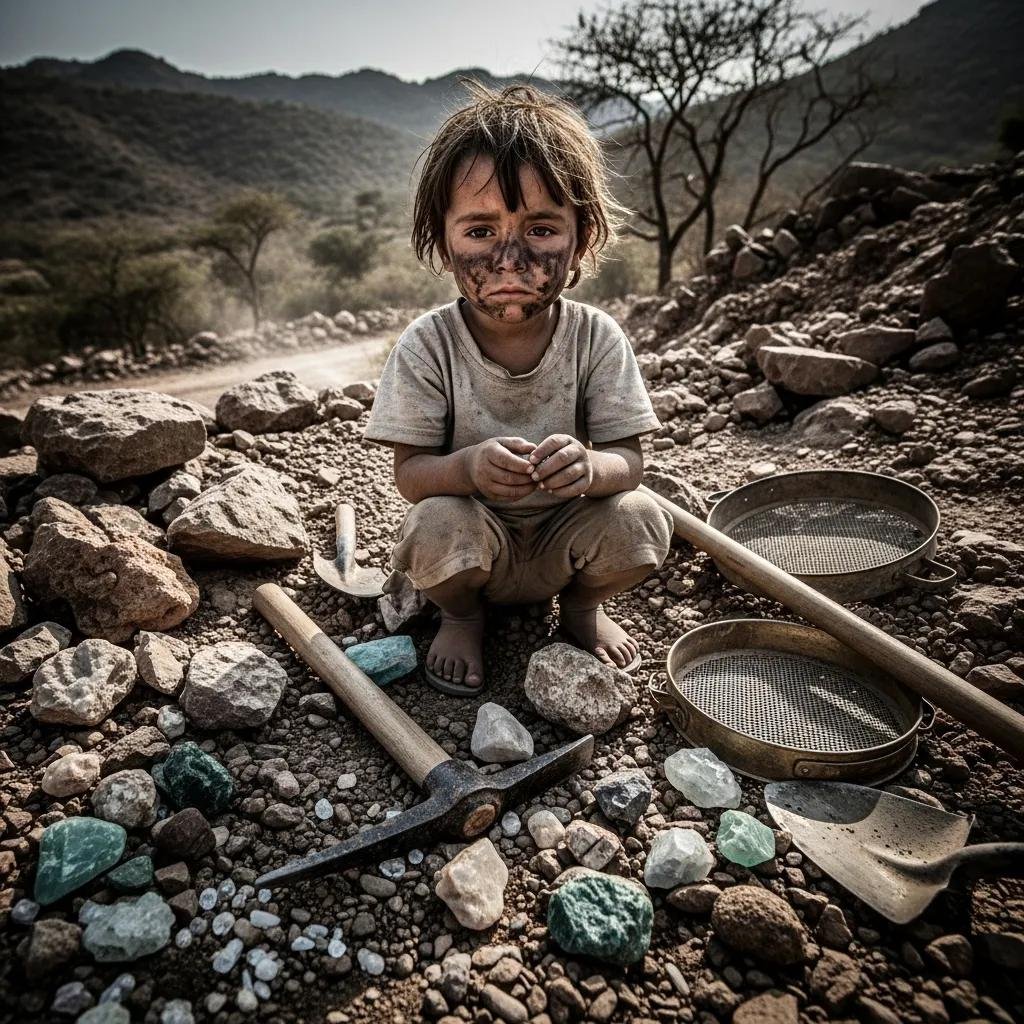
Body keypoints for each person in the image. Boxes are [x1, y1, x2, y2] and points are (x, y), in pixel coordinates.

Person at [363, 80, 674, 695]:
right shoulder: (428, 343)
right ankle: (461, 616)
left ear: (581, 236)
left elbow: (632, 462)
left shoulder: (596, 338)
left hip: (569, 539)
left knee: (642, 519)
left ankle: (583, 611)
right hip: (475, 543)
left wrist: (590, 467)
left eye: (540, 230)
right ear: (443, 243)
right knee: (431, 525)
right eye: (480, 232)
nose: (509, 258)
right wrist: (470, 469)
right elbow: (411, 476)